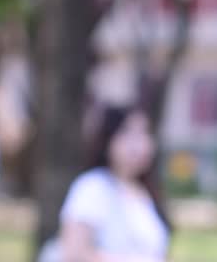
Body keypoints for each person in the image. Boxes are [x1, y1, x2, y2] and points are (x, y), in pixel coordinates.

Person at [41, 104, 172, 262]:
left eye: (144, 134)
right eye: (128, 134)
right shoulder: (93, 187)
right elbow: (74, 253)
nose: (139, 144)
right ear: (108, 140)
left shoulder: (146, 193)